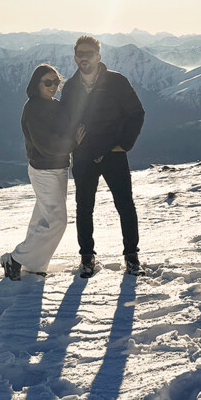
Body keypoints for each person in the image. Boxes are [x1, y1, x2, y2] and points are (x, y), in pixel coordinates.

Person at [61, 35, 146, 278]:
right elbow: (65, 121)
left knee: (125, 205)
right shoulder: (70, 87)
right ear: (75, 57)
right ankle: (87, 257)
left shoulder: (116, 82)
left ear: (98, 56)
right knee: (84, 207)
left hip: (113, 154)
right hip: (84, 156)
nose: (84, 58)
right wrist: (71, 143)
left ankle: (131, 256)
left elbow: (136, 113)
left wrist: (124, 145)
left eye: (89, 53)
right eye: (80, 54)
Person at [0, 64, 84, 281]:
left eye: (56, 82)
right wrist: (73, 142)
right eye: (48, 82)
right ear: (36, 84)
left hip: (58, 168)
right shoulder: (34, 108)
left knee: (42, 220)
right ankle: (15, 258)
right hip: (44, 170)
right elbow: (46, 144)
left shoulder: (54, 105)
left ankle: (35, 265)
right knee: (57, 221)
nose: (53, 86)